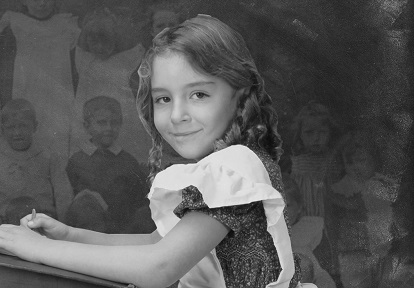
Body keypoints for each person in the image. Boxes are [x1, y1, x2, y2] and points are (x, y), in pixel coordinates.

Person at [0, 15, 308, 288]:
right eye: (163, 99)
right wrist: (69, 235)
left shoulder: (235, 166)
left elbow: (158, 268)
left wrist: (39, 250)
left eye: (198, 94)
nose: (177, 115)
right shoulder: (225, 165)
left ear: (240, 96)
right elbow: (154, 243)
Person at [0, 0, 80, 159]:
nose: (42, 3)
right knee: (27, 127)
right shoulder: (14, 21)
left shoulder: (66, 23)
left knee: (59, 130)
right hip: (28, 86)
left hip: (58, 88)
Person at [71, 6, 151, 163]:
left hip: (119, 110)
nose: (99, 48)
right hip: (90, 108)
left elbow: (139, 49)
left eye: (105, 42)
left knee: (124, 145)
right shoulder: (84, 60)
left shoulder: (124, 60)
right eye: (94, 42)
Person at [66, 96, 149, 233]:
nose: (109, 128)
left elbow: (139, 202)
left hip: (122, 229)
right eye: (102, 123)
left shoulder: (128, 161)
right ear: (87, 126)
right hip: (89, 230)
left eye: (114, 123)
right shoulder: (77, 161)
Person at [331, 129, 399, 287]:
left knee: (386, 281)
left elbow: (390, 200)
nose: (355, 167)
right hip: (353, 249)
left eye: (361, 160)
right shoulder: (342, 186)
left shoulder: (381, 183)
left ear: (374, 161)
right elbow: (342, 204)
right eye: (349, 162)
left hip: (383, 246)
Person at [288, 101, 344, 284]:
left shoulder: (333, 160)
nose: (316, 138)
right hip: (305, 216)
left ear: (330, 133)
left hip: (328, 215)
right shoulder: (297, 161)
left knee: (330, 251)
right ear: (300, 135)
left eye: (322, 132)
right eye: (309, 133)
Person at [0, 99, 73, 221]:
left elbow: (63, 195)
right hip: (5, 223)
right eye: (11, 127)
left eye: (23, 126)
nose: (17, 133)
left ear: (34, 126)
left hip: (42, 221)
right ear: (2, 129)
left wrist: (62, 225)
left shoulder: (49, 157)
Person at [283, 174, 336, 288]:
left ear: (300, 207)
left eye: (287, 205)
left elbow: (323, 270)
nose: (282, 212)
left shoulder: (308, 229)